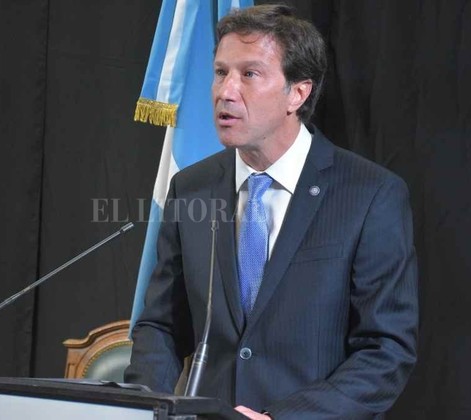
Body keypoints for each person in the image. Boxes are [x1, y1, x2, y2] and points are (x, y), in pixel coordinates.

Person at [125, 4, 418, 419]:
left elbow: (385, 350)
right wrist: (145, 408)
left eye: (249, 74)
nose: (226, 91)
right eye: (220, 72)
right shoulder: (191, 188)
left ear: (297, 93)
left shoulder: (370, 194)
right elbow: (162, 325)